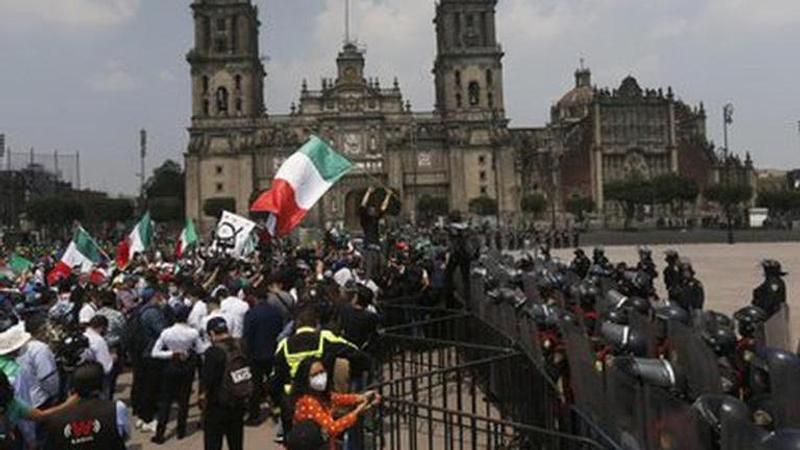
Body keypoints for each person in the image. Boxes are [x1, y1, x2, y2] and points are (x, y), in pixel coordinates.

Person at [272, 303, 369, 437]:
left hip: (292, 402)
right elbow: (356, 353)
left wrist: (279, 402)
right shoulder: (325, 338)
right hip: (319, 399)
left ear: (296, 324)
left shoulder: (284, 344)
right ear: (316, 323)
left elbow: (274, 379)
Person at [291, 357, 379, 449]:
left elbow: (337, 398)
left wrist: (361, 397)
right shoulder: (308, 401)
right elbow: (332, 428)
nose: (320, 377)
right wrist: (356, 412)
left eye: (322, 372)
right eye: (314, 375)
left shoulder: (319, 394)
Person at [150, 305, 205, 444]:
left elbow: (155, 353)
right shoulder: (192, 333)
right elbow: (201, 350)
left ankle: (160, 433)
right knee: (184, 399)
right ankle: (181, 431)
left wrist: (172, 353)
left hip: (170, 365)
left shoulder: (166, 332)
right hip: (187, 367)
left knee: (166, 401)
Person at [42, 362, 129, 450]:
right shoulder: (116, 408)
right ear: (102, 385)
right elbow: (125, 436)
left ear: (73, 388)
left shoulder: (56, 419)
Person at [200, 317, 248, 450]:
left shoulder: (213, 352)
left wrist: (203, 399)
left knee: (213, 443)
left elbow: (207, 381)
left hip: (217, 405)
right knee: (236, 443)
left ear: (211, 334)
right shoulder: (241, 345)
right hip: (238, 401)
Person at [242, 285, 285, 425]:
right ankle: (278, 410)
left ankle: (254, 416)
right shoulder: (275, 312)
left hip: (256, 354)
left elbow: (247, 336)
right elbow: (280, 329)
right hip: (273, 351)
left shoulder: (251, 314)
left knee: (255, 386)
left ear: (255, 298)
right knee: (276, 383)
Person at [18, 315, 60, 410]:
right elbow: (47, 378)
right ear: (42, 329)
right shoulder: (40, 348)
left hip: (27, 400)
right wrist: (55, 393)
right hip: (42, 400)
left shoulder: (21, 347)